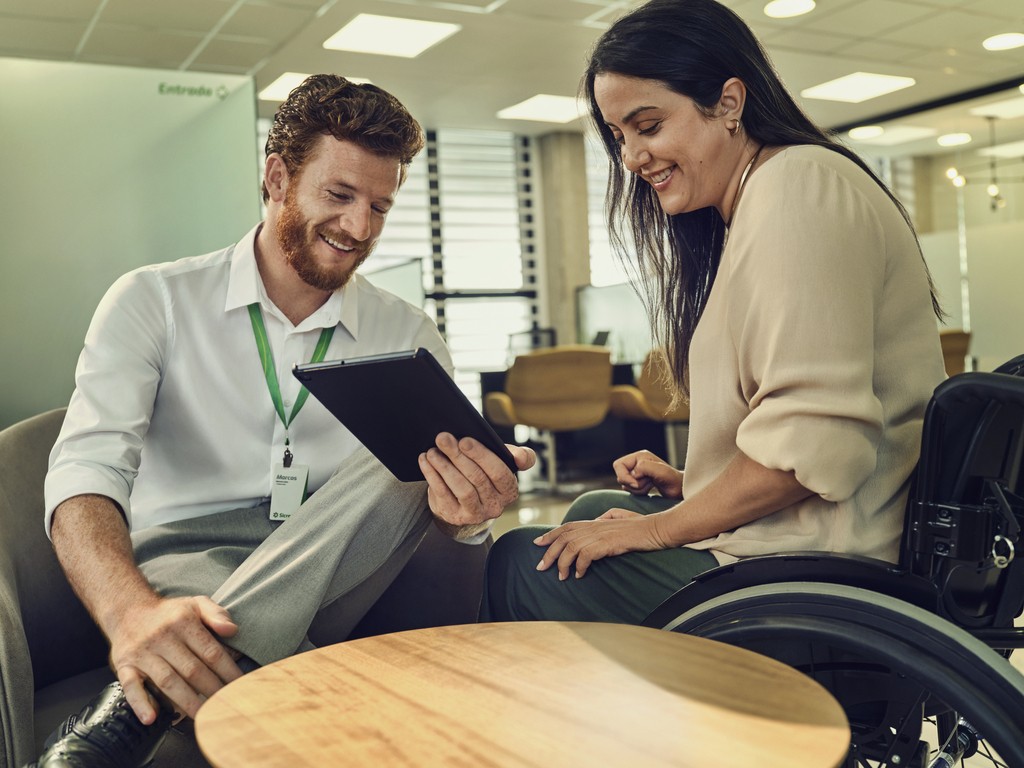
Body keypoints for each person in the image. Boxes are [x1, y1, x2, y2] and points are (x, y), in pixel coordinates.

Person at [32, 74, 535, 768]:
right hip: (188, 567)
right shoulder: (154, 300)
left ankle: (136, 709)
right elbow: (85, 469)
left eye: (380, 207)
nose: (359, 228)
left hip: (342, 571)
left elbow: (441, 520)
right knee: (248, 657)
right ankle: (280, 668)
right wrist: (131, 616)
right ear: (276, 177)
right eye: (339, 195)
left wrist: (468, 509)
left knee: (416, 453)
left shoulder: (407, 330)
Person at [481, 0, 946, 624]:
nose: (631, 158)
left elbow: (814, 447)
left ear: (728, 103)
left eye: (648, 126)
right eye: (620, 137)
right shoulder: (757, 202)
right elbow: (796, 428)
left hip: (829, 566)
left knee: (521, 561)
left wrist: (658, 531)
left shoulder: (798, 188)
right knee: (590, 513)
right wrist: (690, 480)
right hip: (806, 540)